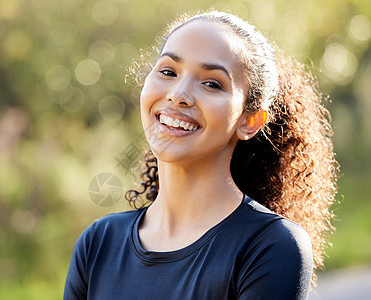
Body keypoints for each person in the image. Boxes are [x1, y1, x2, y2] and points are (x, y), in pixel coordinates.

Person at [64, 10, 338, 300]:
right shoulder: (98, 243)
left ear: (250, 121)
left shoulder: (272, 246)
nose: (178, 94)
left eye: (212, 83)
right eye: (168, 72)